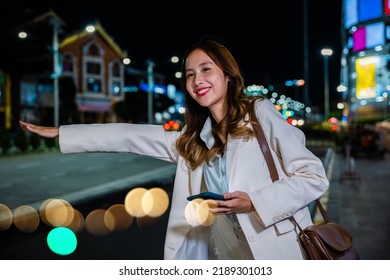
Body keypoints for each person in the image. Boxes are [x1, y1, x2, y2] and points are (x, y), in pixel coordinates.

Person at [19, 36, 329, 260]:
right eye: (190, 74)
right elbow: (126, 136)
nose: (197, 80)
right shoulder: (192, 141)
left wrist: (254, 202)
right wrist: (62, 132)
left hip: (272, 248)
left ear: (228, 74)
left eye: (206, 69)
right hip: (224, 251)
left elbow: (314, 177)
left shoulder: (258, 113)